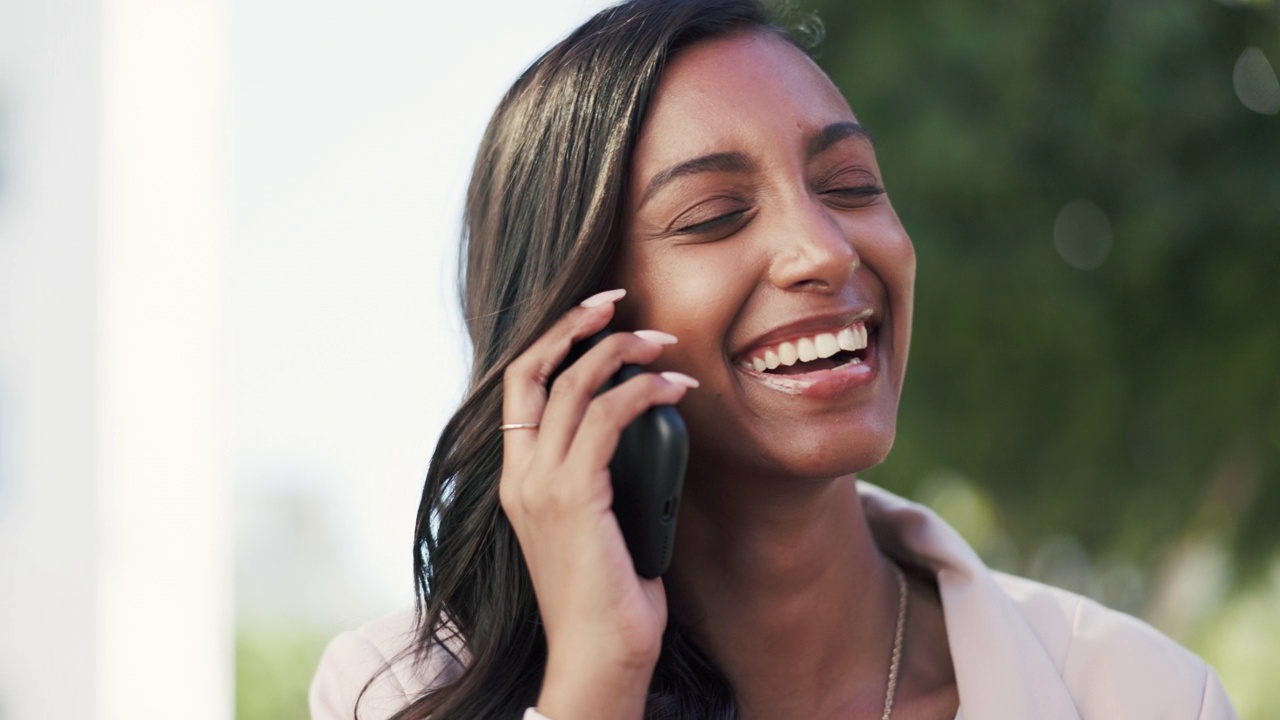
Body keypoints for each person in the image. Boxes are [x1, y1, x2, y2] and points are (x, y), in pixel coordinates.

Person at [310, 1, 1239, 718]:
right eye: (715, 215)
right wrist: (597, 677)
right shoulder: (395, 692)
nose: (826, 250)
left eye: (852, 187)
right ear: (578, 328)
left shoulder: (1141, 694)